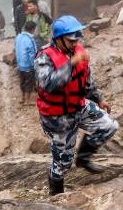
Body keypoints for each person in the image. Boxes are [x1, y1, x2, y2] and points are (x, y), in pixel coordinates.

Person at [34, 15, 118, 195]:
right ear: (58, 38)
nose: (75, 43)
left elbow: (86, 81)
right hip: (57, 117)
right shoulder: (44, 56)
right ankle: (56, 194)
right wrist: (71, 63)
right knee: (62, 164)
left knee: (109, 125)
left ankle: (84, 158)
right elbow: (49, 84)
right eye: (71, 40)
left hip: (78, 106)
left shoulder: (78, 51)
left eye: (76, 39)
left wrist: (99, 99)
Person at [15, 21, 37, 105]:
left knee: (22, 81)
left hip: (20, 64)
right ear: (32, 29)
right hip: (28, 65)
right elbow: (31, 53)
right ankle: (27, 101)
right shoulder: (30, 39)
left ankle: (22, 98)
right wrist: (34, 64)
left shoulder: (19, 37)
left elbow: (16, 48)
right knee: (29, 82)